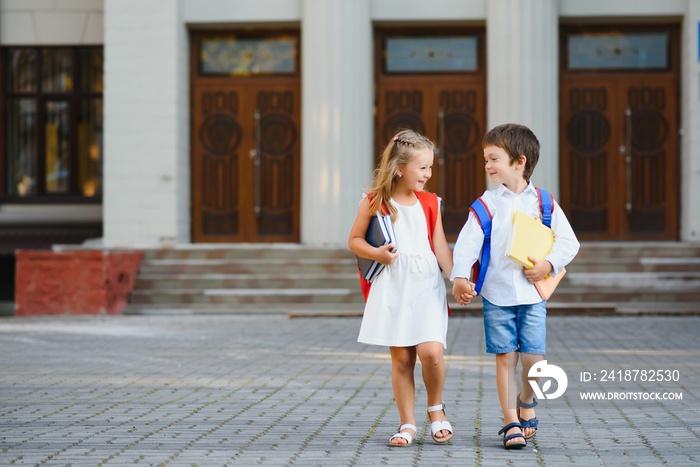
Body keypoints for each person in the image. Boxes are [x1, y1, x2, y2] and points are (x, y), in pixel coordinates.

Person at [451, 123, 580, 449]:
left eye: (494, 159)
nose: (488, 166)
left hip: (533, 296)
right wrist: (460, 277)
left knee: (533, 360)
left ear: (519, 162)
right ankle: (510, 421)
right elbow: (467, 243)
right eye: (486, 159)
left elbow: (569, 242)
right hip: (496, 295)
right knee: (504, 357)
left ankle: (527, 399)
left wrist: (548, 264)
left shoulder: (545, 203)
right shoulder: (487, 204)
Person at [348, 129, 455, 447]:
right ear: (398, 167)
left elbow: (440, 248)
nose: (428, 174)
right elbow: (354, 240)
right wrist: (376, 253)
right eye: (422, 168)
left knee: (431, 352)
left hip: (425, 283)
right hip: (394, 285)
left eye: (430, 167)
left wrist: (457, 278)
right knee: (403, 360)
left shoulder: (430, 202)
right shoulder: (374, 202)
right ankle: (407, 423)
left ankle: (436, 408)